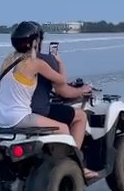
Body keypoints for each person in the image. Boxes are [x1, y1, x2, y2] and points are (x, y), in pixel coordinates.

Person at [0, 21, 69, 134]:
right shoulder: (35, 63)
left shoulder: (7, 60)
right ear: (35, 42)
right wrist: (59, 62)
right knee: (63, 128)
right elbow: (62, 80)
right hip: (17, 119)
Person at [29, 21, 92, 151]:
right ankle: (75, 161)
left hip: (10, 114)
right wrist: (82, 90)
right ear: (39, 41)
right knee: (80, 116)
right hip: (38, 112)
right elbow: (63, 91)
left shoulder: (12, 61)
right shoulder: (46, 60)